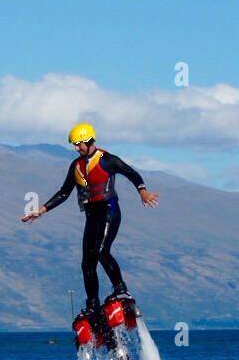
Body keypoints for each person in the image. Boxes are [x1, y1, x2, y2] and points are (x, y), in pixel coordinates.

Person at [21, 122, 159, 310]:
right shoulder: (76, 166)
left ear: (89, 141)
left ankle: (121, 290)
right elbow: (64, 192)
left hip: (109, 211)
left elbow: (132, 173)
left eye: (79, 144)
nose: (76, 148)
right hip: (91, 216)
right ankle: (93, 305)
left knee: (102, 251)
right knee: (87, 261)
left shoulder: (107, 159)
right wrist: (41, 211)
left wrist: (142, 191)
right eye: (74, 145)